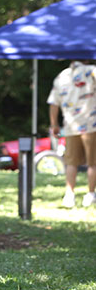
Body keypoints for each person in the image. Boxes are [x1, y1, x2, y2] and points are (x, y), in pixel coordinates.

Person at [47, 61, 96, 207]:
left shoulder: (62, 76)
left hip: (70, 126)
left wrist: (54, 124)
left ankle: (70, 194)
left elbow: (53, 103)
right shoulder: (92, 71)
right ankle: (91, 194)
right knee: (93, 163)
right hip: (92, 124)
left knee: (71, 163)